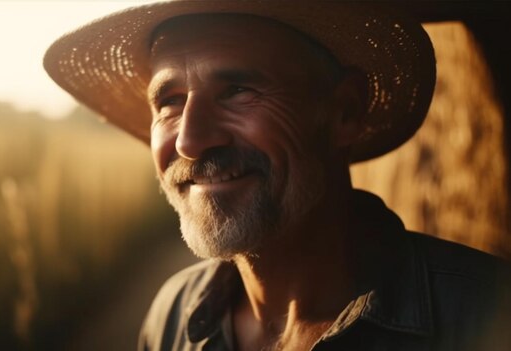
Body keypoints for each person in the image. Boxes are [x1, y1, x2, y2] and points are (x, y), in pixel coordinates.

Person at [44, 2, 511, 350]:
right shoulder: (172, 314)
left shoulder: (485, 317)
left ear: (344, 112)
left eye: (237, 90)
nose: (189, 141)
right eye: (169, 101)